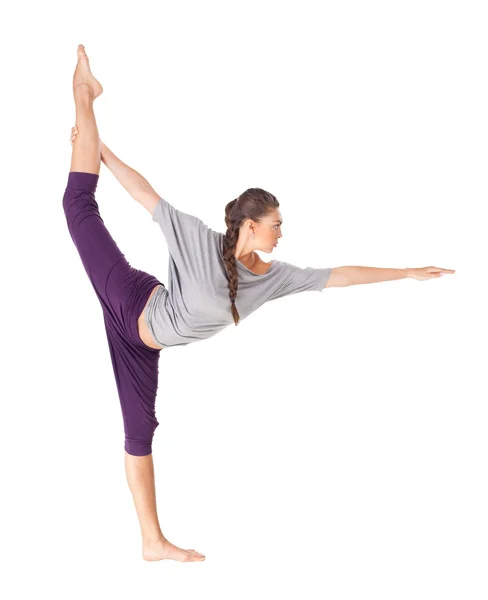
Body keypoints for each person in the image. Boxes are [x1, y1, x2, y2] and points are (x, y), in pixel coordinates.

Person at [64, 44, 455, 563]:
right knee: (77, 206)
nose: (281, 232)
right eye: (275, 224)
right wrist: (102, 150)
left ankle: (151, 542)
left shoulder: (273, 279)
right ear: (250, 225)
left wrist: (405, 272)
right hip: (130, 299)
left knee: (140, 434)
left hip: (144, 346)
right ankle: (83, 95)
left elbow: (339, 276)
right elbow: (143, 192)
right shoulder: (199, 240)